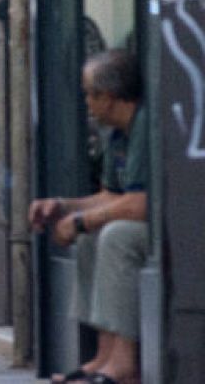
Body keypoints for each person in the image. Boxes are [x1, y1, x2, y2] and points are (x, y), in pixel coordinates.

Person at [31, 50, 149, 384]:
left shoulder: (144, 125)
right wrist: (65, 207)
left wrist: (83, 220)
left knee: (116, 236)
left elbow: (140, 203)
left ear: (108, 97)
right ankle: (104, 354)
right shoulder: (117, 133)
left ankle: (125, 364)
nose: (86, 102)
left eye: (88, 94)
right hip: (142, 221)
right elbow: (111, 196)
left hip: (172, 229)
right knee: (93, 237)